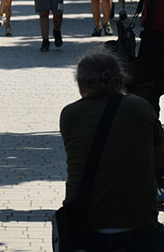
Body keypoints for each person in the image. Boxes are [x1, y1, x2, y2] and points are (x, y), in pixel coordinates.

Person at [59, 52, 164, 251]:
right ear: (121, 80)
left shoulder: (70, 114)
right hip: (140, 227)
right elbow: (161, 158)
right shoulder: (140, 107)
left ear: (81, 84)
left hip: (86, 230)